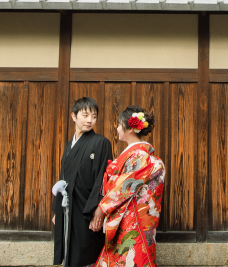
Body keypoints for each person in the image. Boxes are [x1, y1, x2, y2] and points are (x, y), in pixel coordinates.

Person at [89, 105, 165, 267]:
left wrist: (101, 209)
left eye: (118, 125)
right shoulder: (141, 155)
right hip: (134, 216)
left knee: (133, 256)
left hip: (133, 218)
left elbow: (124, 188)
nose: (117, 129)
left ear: (129, 128)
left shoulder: (139, 156)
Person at [52, 97, 112, 267]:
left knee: (87, 252)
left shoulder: (101, 142)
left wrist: (98, 211)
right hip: (70, 207)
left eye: (93, 116)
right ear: (73, 116)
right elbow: (63, 179)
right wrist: (58, 209)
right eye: (85, 115)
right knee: (70, 251)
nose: (89, 120)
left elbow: (104, 178)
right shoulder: (70, 144)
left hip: (87, 208)